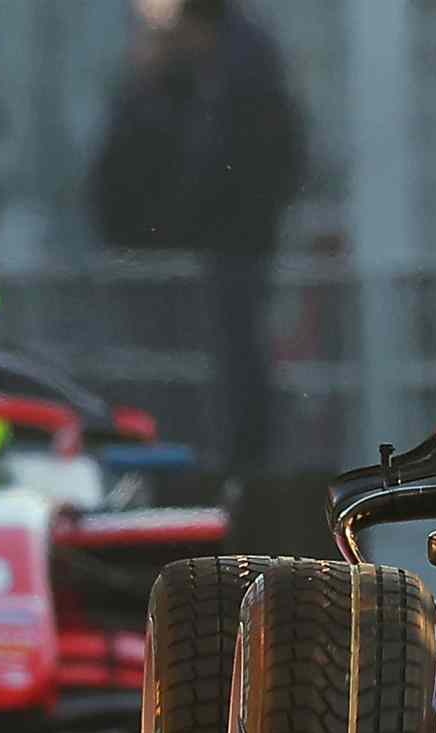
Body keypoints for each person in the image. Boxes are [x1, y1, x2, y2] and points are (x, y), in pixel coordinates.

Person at [92, 0, 304, 482]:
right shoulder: (217, 69)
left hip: (217, 246)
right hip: (202, 247)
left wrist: (181, 223)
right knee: (207, 365)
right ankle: (216, 466)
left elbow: (226, 163)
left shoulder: (233, 71)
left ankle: (222, 470)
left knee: (218, 364)